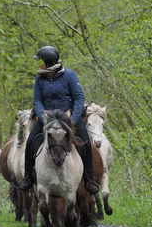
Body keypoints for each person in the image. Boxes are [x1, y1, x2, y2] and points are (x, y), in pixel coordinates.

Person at [18, 46, 100, 195]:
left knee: (86, 143)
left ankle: (89, 179)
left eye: (40, 61)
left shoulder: (70, 75)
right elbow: (37, 100)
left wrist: (73, 119)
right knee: (30, 142)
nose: (38, 64)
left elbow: (79, 98)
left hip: (68, 118)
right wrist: (43, 120)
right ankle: (28, 177)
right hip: (47, 119)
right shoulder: (39, 78)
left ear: (48, 63)